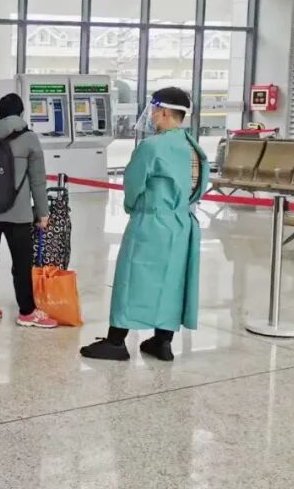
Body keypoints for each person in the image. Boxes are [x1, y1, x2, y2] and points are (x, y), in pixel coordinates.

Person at [81, 87, 207, 363]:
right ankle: (162, 342)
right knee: (172, 282)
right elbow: (199, 187)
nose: (151, 116)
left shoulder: (152, 147)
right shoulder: (193, 147)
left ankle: (116, 342)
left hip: (151, 222)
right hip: (182, 224)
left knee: (131, 279)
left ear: (164, 112)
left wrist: (132, 208)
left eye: (154, 110)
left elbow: (134, 184)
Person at [0, 93, 57, 329]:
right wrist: (43, 213)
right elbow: (38, 181)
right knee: (21, 263)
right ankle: (27, 312)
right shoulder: (29, 139)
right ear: (21, 113)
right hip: (17, 213)